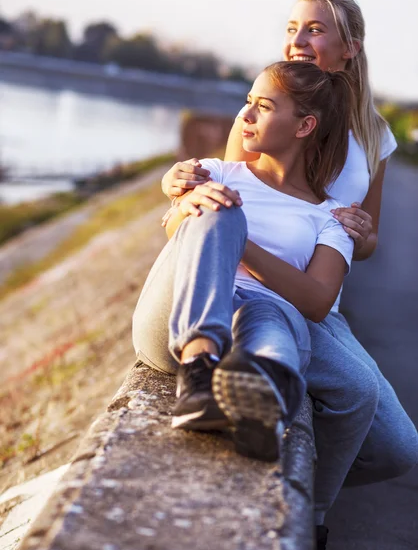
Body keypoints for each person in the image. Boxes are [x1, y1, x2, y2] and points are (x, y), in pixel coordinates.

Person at [159, 0, 418, 550]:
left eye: (315, 30)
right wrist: (180, 190)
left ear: (350, 47)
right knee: (311, 365)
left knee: (399, 448)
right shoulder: (267, 108)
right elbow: (232, 191)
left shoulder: (374, 135)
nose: (298, 40)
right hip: (252, 286)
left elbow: (368, 240)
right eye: (293, 27)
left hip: (314, 291)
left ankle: (309, 505)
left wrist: (356, 231)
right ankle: (308, 522)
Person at [133, 60, 354, 465]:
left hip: (262, 325)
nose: (245, 115)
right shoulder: (216, 173)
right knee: (222, 210)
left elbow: (318, 301)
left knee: (270, 314)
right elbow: (174, 232)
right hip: (175, 326)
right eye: (248, 102)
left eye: (263, 107)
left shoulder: (332, 218)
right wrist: (187, 200)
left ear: (304, 127)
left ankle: (263, 408)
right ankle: (198, 370)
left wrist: (242, 244)